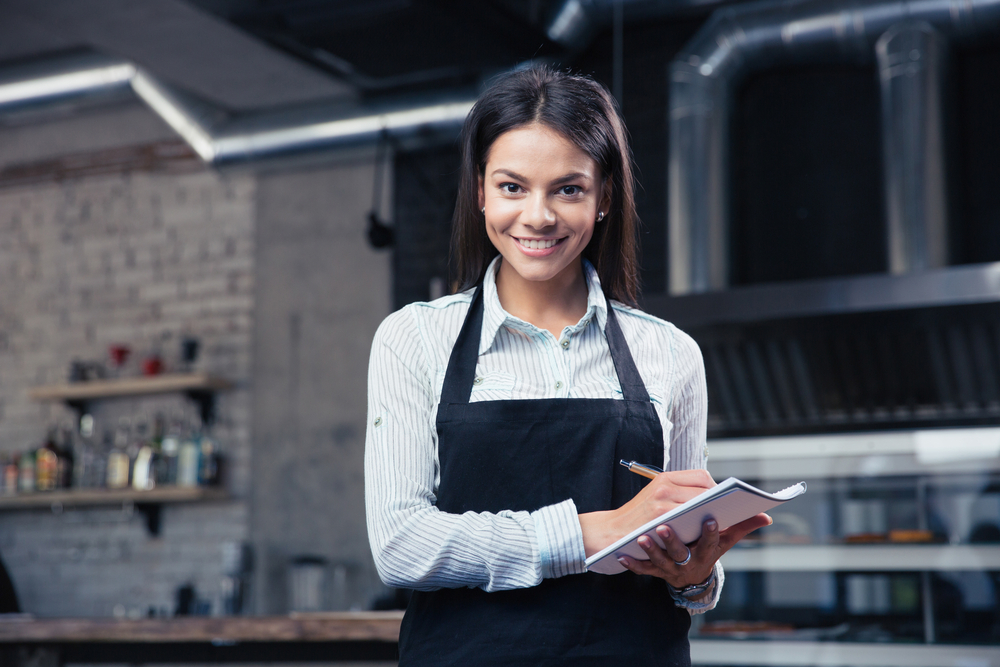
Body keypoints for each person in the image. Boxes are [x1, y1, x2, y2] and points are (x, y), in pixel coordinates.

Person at [365, 64, 770, 666]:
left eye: (568, 189)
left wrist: (695, 578)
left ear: (604, 197)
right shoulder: (414, 338)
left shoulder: (671, 354)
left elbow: (684, 559)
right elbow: (401, 544)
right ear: (479, 191)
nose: (538, 216)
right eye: (511, 187)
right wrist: (590, 532)